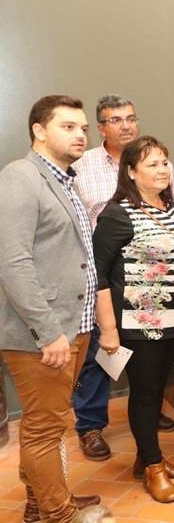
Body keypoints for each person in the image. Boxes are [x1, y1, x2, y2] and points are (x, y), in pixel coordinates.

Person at [0, 95, 110, 523]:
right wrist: (47, 331)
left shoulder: (66, 179)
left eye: (82, 127)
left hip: (74, 327)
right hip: (42, 335)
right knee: (45, 429)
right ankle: (58, 513)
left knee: (47, 423)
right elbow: (13, 263)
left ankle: (40, 500)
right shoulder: (20, 178)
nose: (80, 134)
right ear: (39, 131)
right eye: (68, 126)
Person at [71, 95, 174, 462]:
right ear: (101, 127)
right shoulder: (83, 165)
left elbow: (168, 211)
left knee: (146, 368)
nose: (126, 125)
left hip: (152, 283)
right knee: (99, 353)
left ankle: (148, 413)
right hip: (103, 275)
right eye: (115, 120)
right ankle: (90, 425)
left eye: (131, 118)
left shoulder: (158, 163)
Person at [92, 136, 174, 503]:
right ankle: (153, 466)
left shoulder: (170, 207)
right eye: (152, 164)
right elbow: (99, 275)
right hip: (142, 325)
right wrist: (108, 328)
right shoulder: (118, 213)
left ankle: (144, 458)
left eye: (165, 162)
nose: (162, 169)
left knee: (152, 391)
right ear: (131, 172)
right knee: (147, 395)